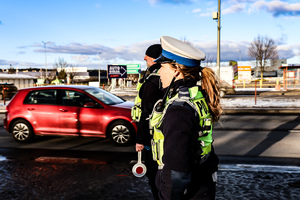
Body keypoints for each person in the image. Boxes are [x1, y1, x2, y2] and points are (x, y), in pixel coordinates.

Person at [150, 36, 222, 200]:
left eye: (162, 66)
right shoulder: (195, 95)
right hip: (202, 183)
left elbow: (177, 174)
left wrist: (165, 196)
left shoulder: (178, 110)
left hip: (187, 192)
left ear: (176, 70)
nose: (159, 71)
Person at [133, 44, 164, 200]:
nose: (145, 58)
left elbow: (146, 114)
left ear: (156, 58)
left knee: (154, 174)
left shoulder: (153, 81)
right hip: (161, 133)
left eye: (148, 55)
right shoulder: (162, 77)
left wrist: (140, 140)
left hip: (152, 136)